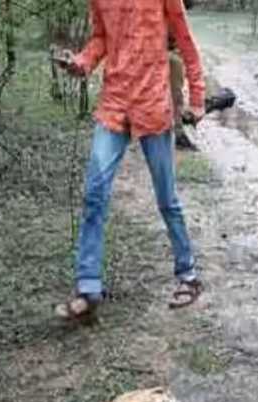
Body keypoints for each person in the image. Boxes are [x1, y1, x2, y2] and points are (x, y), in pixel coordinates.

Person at [54, 0, 206, 320]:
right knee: (95, 191)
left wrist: (198, 98)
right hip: (114, 102)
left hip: (152, 103)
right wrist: (80, 62)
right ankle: (88, 287)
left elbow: (186, 40)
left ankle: (188, 276)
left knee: (167, 198)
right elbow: (100, 39)